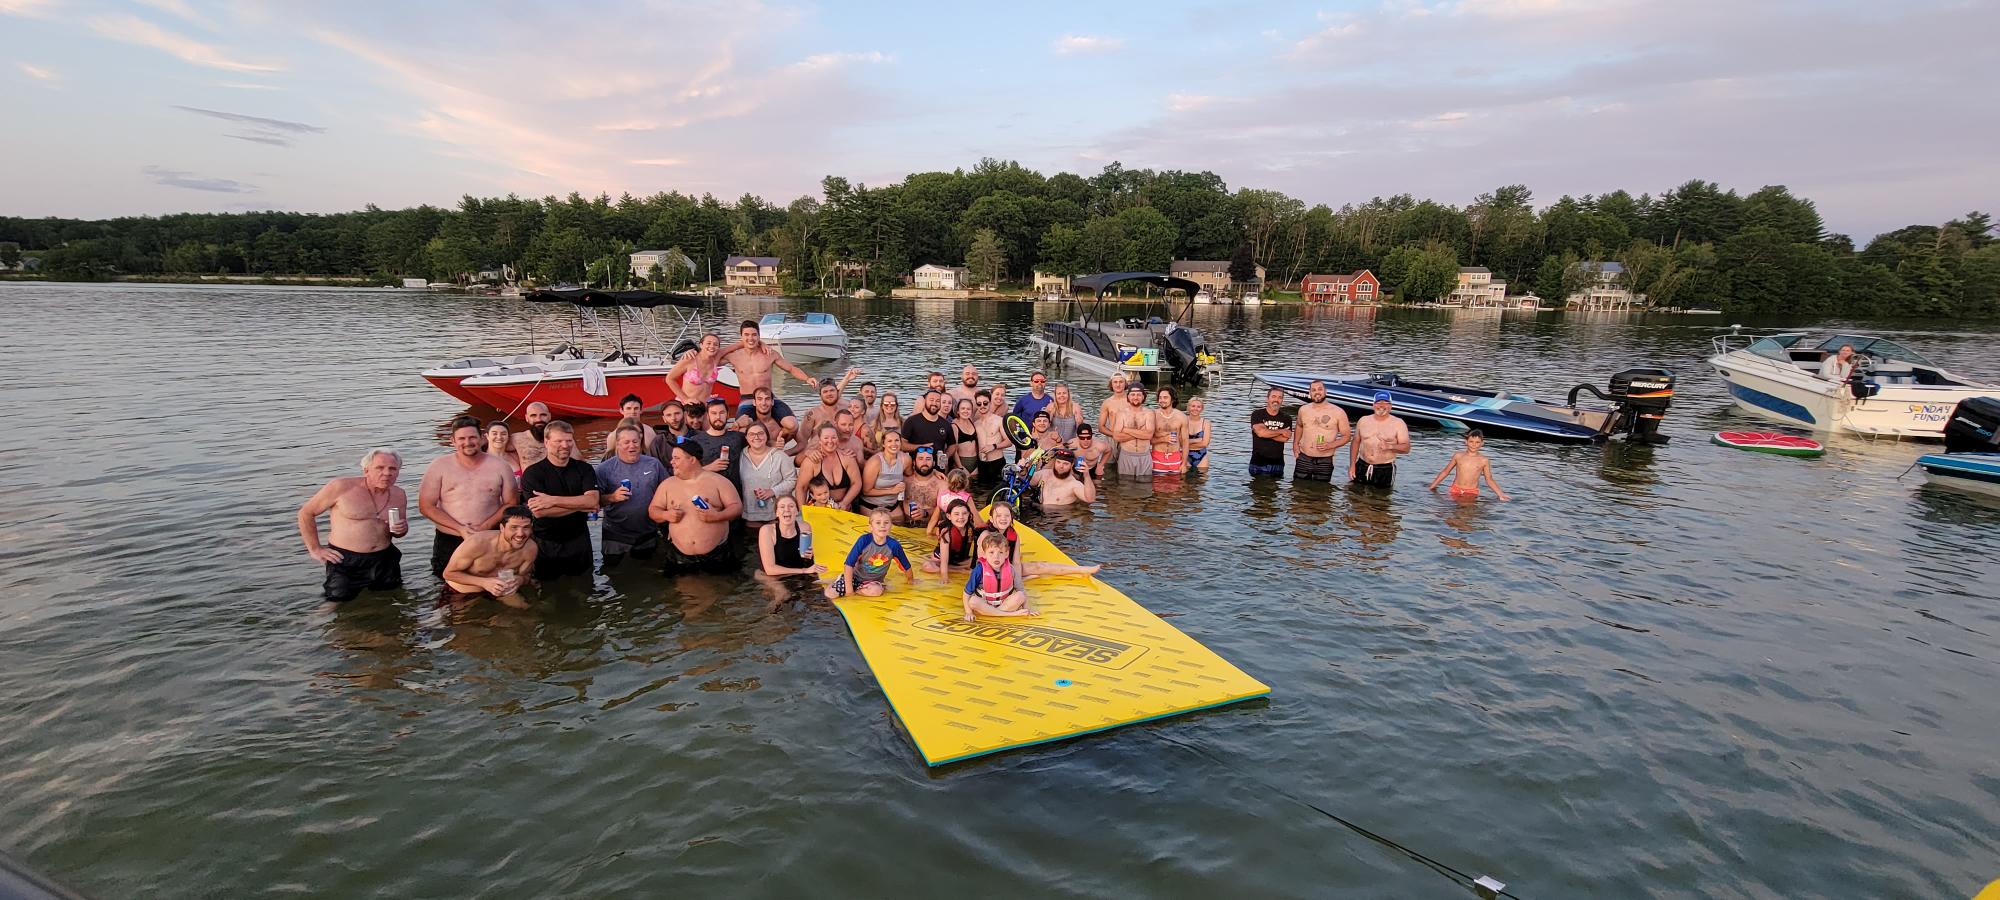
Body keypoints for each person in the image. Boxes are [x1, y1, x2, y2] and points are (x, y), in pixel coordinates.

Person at [298, 448, 409, 606]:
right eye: (380, 468)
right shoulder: (341, 487)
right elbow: (306, 513)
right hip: (345, 560)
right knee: (335, 603)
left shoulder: (399, 494)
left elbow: (398, 532)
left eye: (392, 469)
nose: (387, 473)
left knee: (389, 600)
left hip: (384, 559)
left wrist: (402, 529)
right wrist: (315, 549)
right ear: (366, 470)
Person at [419, 415, 520, 578]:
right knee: (447, 590)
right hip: (450, 538)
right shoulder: (439, 466)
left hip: (488, 536)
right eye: (462, 438)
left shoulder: (500, 466)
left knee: (492, 583)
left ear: (481, 438)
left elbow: (511, 502)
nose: (468, 442)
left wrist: (484, 527)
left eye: (472, 437)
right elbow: (426, 506)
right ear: (453, 441)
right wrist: (460, 529)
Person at [519, 420, 600, 578]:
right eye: (559, 441)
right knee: (549, 593)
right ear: (546, 442)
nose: (565, 445)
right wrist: (580, 505)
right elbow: (540, 512)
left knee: (585, 587)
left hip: (579, 540)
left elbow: (592, 502)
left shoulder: (584, 468)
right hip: (546, 543)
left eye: (569, 440)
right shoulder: (533, 473)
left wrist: (552, 500)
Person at [649, 442, 743, 573]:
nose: (672, 462)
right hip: (679, 556)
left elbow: (737, 507)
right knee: (683, 592)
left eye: (677, 458)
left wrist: (717, 516)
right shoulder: (667, 484)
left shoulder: (719, 481)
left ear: (692, 459)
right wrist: (666, 515)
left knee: (721, 590)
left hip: (717, 554)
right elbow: (653, 510)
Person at [594, 423, 666, 568]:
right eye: (626, 442)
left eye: (635, 441)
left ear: (640, 442)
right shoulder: (604, 469)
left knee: (648, 573)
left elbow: (668, 491)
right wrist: (612, 497)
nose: (631, 446)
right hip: (615, 533)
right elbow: (593, 502)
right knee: (614, 573)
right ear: (618, 444)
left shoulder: (654, 464)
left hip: (648, 531)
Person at [718, 319, 818, 422]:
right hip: (748, 398)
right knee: (741, 426)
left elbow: (791, 369)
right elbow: (714, 358)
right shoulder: (734, 356)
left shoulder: (769, 354)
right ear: (741, 337)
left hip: (768, 397)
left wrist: (807, 379)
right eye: (746, 335)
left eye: (754, 335)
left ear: (759, 336)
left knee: (792, 424)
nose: (750, 338)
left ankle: (779, 437)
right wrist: (739, 345)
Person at [441, 506, 539, 608]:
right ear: (502, 528)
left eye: (526, 527)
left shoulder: (530, 549)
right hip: (462, 592)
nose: (520, 534)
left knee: (528, 615)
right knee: (462, 622)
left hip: (501, 591)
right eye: (514, 528)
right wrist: (484, 582)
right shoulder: (477, 543)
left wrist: (520, 580)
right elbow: (448, 574)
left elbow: (526, 577)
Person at [979, 501, 1099, 578]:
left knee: (1040, 566)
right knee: (1031, 570)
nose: (1003, 519)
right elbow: (981, 565)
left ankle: (1081, 570)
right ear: (991, 518)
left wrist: (1017, 580)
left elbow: (1015, 562)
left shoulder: (1014, 535)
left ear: (1011, 518)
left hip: (1007, 567)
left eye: (1007, 516)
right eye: (998, 516)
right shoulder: (986, 535)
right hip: (989, 572)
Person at [825, 506, 913, 599]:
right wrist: (849, 590)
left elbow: (905, 565)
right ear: (871, 527)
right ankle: (842, 582)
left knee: (876, 591)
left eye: (886, 523)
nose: (882, 526)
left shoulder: (894, 545)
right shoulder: (864, 541)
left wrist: (911, 580)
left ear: (891, 526)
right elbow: (848, 565)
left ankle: (859, 590)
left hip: (873, 582)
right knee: (830, 594)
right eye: (878, 523)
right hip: (855, 577)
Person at [962, 531, 1035, 621]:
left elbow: (1021, 590)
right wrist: (968, 612)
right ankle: (1010, 615)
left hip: (1004, 605)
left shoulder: (1011, 569)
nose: (996, 557)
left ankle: (994, 614)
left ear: (1006, 554)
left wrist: (1028, 608)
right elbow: (966, 594)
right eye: (991, 552)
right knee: (972, 601)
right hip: (984, 605)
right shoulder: (979, 570)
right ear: (984, 555)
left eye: (1000, 552)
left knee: (1020, 595)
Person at [737, 421, 797, 528]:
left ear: (766, 436)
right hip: (749, 517)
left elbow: (792, 480)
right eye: (752, 434)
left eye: (760, 433)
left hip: (775, 516)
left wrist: (773, 491)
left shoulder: (779, 456)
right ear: (746, 438)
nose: (756, 437)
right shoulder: (740, 456)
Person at [1428, 429, 1512, 501]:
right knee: (1451, 515)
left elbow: (1489, 479)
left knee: (1467, 514)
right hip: (1455, 489)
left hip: (1471, 492)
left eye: (1477, 442)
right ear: (1466, 442)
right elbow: (1445, 472)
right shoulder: (1458, 456)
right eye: (1471, 441)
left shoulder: (1484, 460)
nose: (1474, 444)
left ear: (1482, 443)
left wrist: (1501, 494)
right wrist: (1432, 486)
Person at [1293, 380, 1351, 483]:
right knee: (1298, 490)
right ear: (1310, 393)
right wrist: (1295, 444)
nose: (1317, 392)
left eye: (1320, 389)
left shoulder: (1338, 412)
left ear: (1325, 391)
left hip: (1325, 459)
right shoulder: (1303, 410)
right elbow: (1299, 425)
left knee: (1322, 493)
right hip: (1304, 457)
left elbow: (1347, 436)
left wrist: (1330, 445)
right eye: (1313, 390)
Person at [1350, 392, 1412, 488]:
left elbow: (1407, 448)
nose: (1382, 405)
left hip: (1385, 468)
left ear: (1390, 406)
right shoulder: (1363, 420)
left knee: (1381, 500)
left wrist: (1390, 446)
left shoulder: (1398, 423)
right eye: (1378, 402)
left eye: (1386, 402)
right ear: (1373, 405)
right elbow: (1355, 442)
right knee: (1355, 497)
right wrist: (1352, 465)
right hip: (1361, 465)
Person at [686, 397, 747, 489]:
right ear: (707, 416)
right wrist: (709, 468)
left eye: (722, 413)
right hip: (707, 493)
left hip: (735, 494)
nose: (718, 417)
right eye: (714, 413)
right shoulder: (695, 440)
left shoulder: (739, 437)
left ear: (728, 415)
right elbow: (687, 472)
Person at [757, 495, 823, 578]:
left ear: (796, 511)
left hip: (799, 571)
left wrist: (812, 554)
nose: (787, 509)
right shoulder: (767, 531)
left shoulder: (805, 528)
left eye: (791, 506)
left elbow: (809, 557)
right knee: (782, 591)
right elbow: (770, 569)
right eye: (782, 507)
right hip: (774, 576)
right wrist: (803, 571)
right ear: (777, 513)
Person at [797, 424, 861, 509]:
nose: (830, 441)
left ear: (838, 439)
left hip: (843, 508)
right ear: (819, 440)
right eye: (826, 438)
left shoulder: (847, 458)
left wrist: (845, 502)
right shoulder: (812, 461)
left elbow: (857, 483)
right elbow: (801, 487)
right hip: (818, 510)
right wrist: (803, 512)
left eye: (834, 437)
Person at [923, 498, 979, 583]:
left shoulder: (971, 529)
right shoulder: (946, 533)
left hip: (960, 561)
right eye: (956, 514)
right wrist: (944, 577)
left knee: (979, 562)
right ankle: (957, 570)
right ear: (949, 516)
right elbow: (944, 561)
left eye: (964, 513)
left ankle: (956, 567)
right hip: (940, 560)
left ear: (969, 515)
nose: (961, 517)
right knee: (927, 566)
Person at [1109, 383, 1157, 479]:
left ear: (1143, 397)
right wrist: (1140, 432)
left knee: (1145, 486)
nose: (1136, 397)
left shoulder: (1149, 413)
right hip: (1126, 455)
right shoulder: (1121, 413)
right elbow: (1117, 436)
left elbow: (1148, 435)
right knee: (1125, 485)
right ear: (1128, 396)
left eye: (1139, 395)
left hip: (1144, 455)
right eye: (1133, 394)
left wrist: (1125, 429)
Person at [664, 333, 725, 405]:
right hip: (687, 405)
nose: (712, 346)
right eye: (708, 343)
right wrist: (685, 399)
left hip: (704, 406)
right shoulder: (690, 359)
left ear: (718, 347)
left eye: (715, 344)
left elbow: (733, 348)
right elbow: (669, 379)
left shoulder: (716, 360)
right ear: (701, 345)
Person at [858, 431, 910, 514]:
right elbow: (866, 491)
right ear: (883, 444)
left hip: (892, 505)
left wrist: (934, 472)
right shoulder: (875, 462)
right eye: (889, 441)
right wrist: (892, 490)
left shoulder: (905, 459)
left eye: (897, 440)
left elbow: (911, 475)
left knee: (901, 524)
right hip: (871, 505)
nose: (894, 444)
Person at [1249, 387, 1293, 478]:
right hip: (1258, 463)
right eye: (1274, 396)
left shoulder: (1286, 418)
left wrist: (1265, 433)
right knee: (1257, 490)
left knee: (1274, 490)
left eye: (1280, 397)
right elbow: (1261, 433)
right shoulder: (1257, 414)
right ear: (1267, 398)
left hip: (1277, 463)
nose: (1276, 400)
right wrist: (1281, 431)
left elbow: (1284, 438)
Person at [903, 446, 949, 529]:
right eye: (920, 459)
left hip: (932, 528)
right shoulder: (905, 481)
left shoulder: (942, 484)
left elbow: (947, 513)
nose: (924, 462)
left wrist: (925, 513)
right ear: (914, 462)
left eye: (928, 459)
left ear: (934, 463)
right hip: (905, 526)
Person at [900, 389, 955, 455]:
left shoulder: (946, 424)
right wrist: (920, 447)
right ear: (925, 401)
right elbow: (902, 445)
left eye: (937, 401)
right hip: (916, 463)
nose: (934, 403)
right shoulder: (911, 421)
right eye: (931, 400)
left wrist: (946, 456)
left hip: (937, 464)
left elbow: (953, 445)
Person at [973, 389, 1008, 484]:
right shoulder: (975, 424)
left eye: (985, 403)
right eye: (979, 404)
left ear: (990, 402)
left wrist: (994, 446)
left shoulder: (999, 421)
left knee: (998, 495)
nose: (982, 406)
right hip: (981, 464)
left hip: (997, 462)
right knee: (982, 494)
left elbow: (1009, 442)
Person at [1152, 387, 1189, 476]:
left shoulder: (1182, 417)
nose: (1162, 400)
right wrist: (1163, 439)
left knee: (1175, 488)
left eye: (1165, 397)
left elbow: (1185, 442)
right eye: (1160, 398)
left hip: (1175, 457)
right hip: (1157, 457)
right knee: (1156, 488)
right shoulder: (1153, 415)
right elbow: (1147, 439)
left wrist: (1184, 464)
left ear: (1172, 399)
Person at [1096, 373, 1128, 470]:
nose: (1118, 385)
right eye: (1115, 382)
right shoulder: (1107, 403)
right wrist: (1114, 435)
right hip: (1111, 439)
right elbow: (1101, 427)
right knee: (1108, 468)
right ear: (1111, 384)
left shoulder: (1131, 400)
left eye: (1121, 382)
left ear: (1125, 384)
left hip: (1127, 439)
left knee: (1125, 469)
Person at [946, 397, 981, 473]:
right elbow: (954, 449)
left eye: (968, 409)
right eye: (963, 408)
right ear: (958, 411)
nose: (966, 411)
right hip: (962, 462)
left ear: (971, 411)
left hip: (975, 462)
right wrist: (960, 467)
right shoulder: (954, 425)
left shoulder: (971, 421)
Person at [513, 402, 553, 467]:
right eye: (533, 415)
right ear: (526, 418)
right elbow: (495, 452)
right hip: (528, 476)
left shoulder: (563, 439)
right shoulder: (516, 439)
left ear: (549, 416)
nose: (539, 419)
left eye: (543, 415)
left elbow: (574, 463)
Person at [1184, 396, 1212, 473]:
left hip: (1201, 456)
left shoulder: (1206, 423)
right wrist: (1196, 440)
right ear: (1188, 407)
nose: (1195, 409)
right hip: (1185, 455)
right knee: (1185, 482)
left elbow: (1205, 443)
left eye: (1198, 407)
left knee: (1201, 482)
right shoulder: (1183, 421)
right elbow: (1179, 441)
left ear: (1202, 409)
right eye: (1193, 406)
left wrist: (1187, 442)